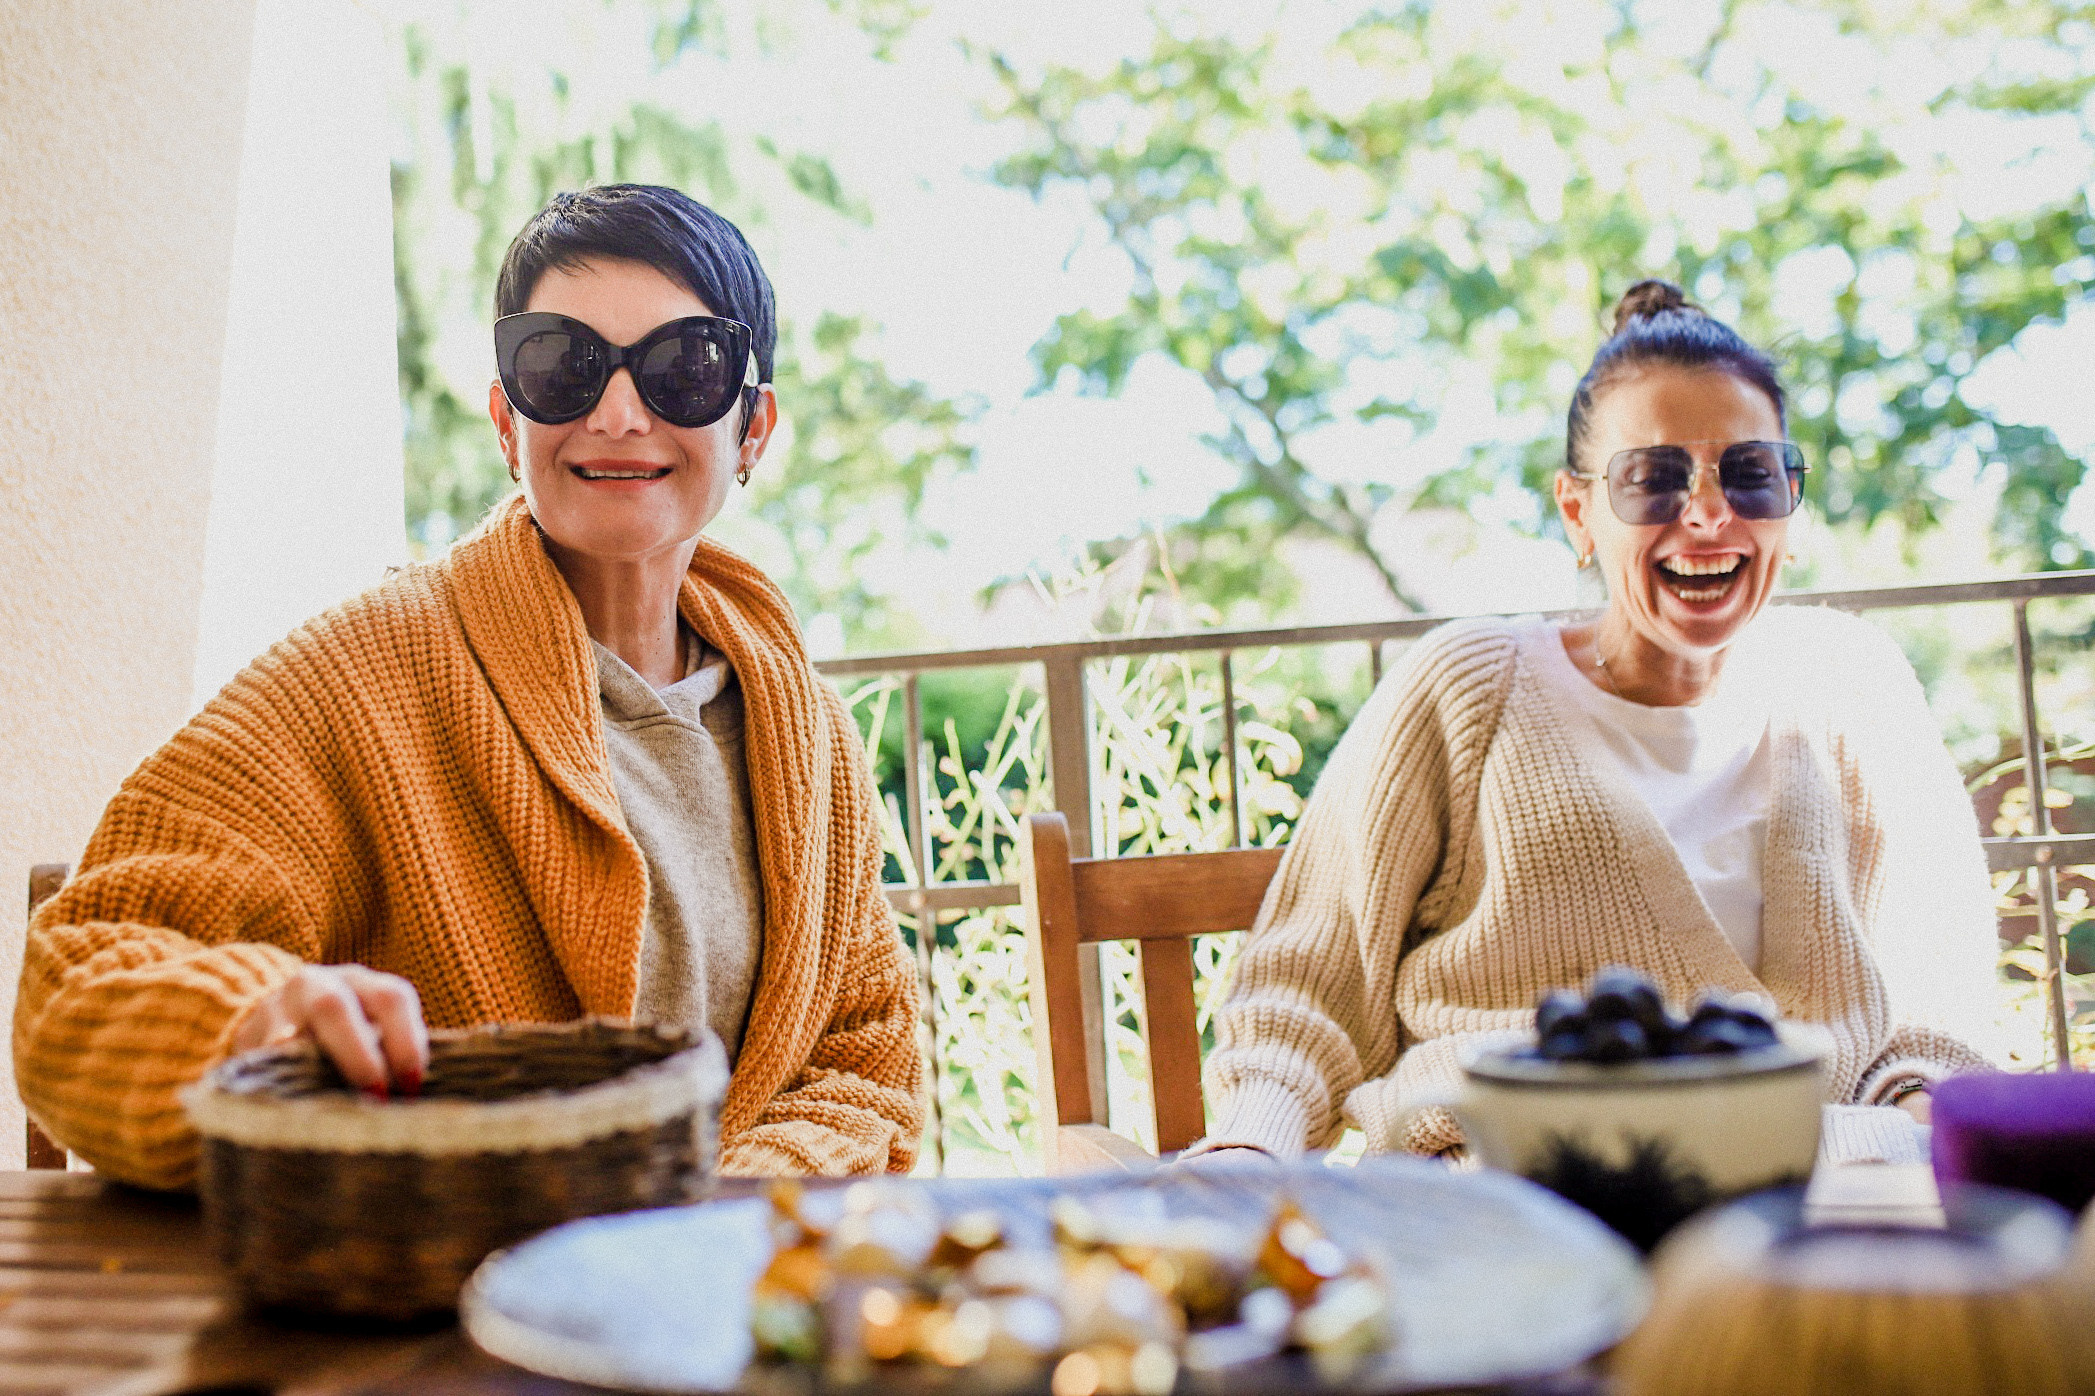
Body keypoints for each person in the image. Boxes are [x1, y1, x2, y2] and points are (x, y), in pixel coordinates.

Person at [15, 184, 923, 1188]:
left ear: (753, 430)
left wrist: (711, 1212)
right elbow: (80, 978)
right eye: (562, 365)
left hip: (727, 1308)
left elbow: (862, 1061)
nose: (619, 413)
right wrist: (252, 1018)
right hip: (433, 1315)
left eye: (685, 368)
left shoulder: (810, 737)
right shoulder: (367, 673)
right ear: (506, 420)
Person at [1189, 280, 2002, 1163]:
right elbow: (1309, 988)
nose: (1705, 513)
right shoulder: (1467, 687)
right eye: (1652, 479)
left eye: (1750, 475)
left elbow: (1936, 1011)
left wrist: (1916, 1136)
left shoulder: (1857, 686)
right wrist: (1246, 1154)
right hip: (1512, 1183)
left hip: (1811, 1191)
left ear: (1790, 503)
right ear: (1578, 513)